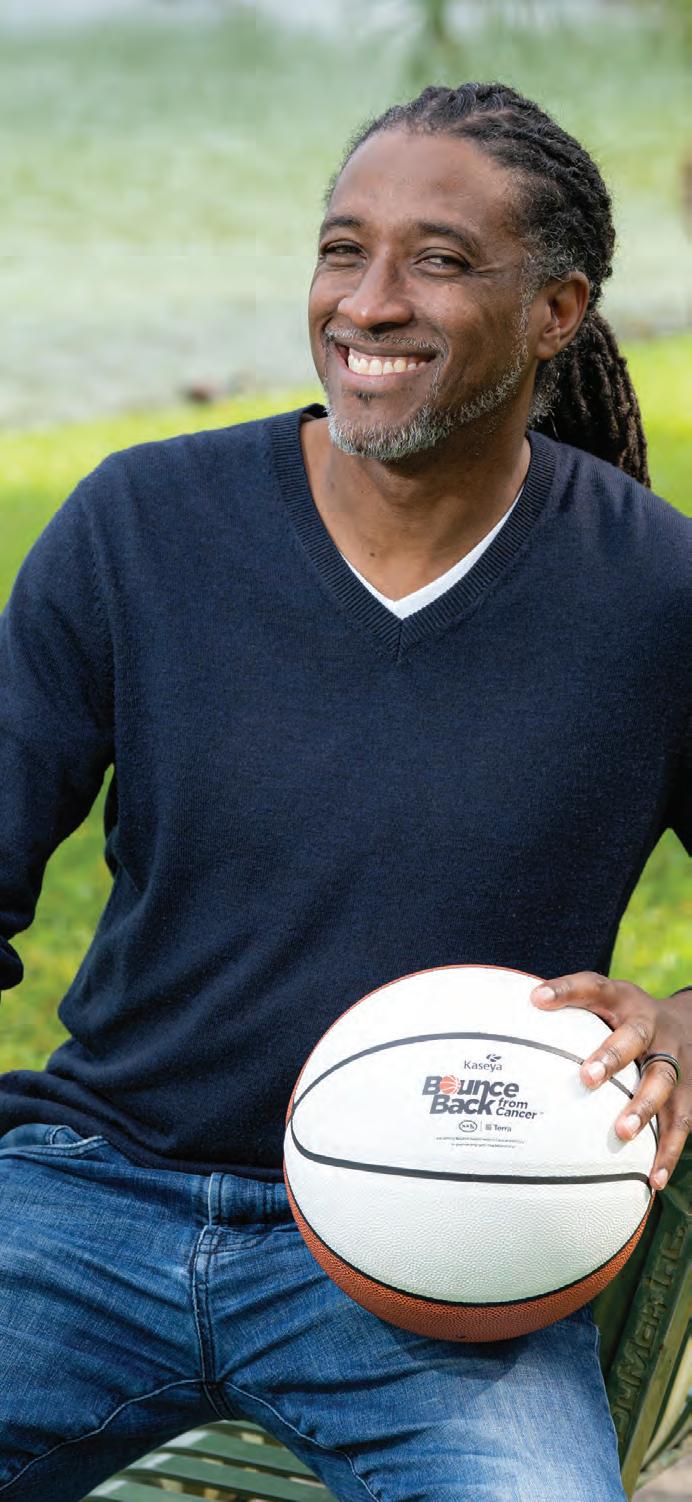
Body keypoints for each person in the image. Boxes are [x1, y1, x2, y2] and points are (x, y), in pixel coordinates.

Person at [0, 81, 689, 1502]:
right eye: (342, 249)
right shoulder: (142, 523)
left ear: (557, 310)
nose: (368, 303)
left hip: (446, 1243)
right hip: (92, 1197)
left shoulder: (656, 594)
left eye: (439, 260)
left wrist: (689, 1020)